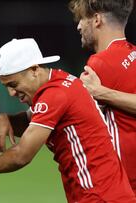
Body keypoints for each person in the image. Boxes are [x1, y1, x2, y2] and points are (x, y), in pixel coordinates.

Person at [0, 38, 136, 202]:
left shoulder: (55, 95)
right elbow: (31, 120)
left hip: (98, 195)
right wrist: (4, 119)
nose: (11, 93)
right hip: (104, 192)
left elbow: (21, 156)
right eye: (6, 87)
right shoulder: (57, 82)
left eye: (14, 84)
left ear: (34, 70)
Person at [69, 0, 136, 194]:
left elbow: (66, 112)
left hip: (125, 185)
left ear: (97, 19)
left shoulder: (100, 63)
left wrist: (102, 93)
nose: (79, 25)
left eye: (82, 18)